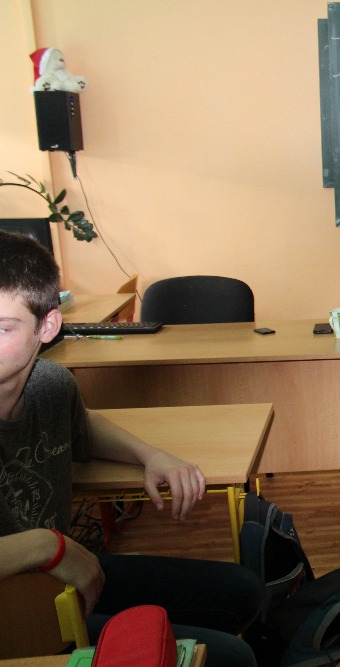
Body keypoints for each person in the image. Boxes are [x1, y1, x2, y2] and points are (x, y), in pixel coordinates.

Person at [0, 231, 262, 666]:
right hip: (17, 614)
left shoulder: (51, 384)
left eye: (3, 328)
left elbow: (82, 423)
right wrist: (50, 546)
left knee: (244, 592)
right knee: (231, 658)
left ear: (47, 326)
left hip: (60, 574)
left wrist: (149, 455)